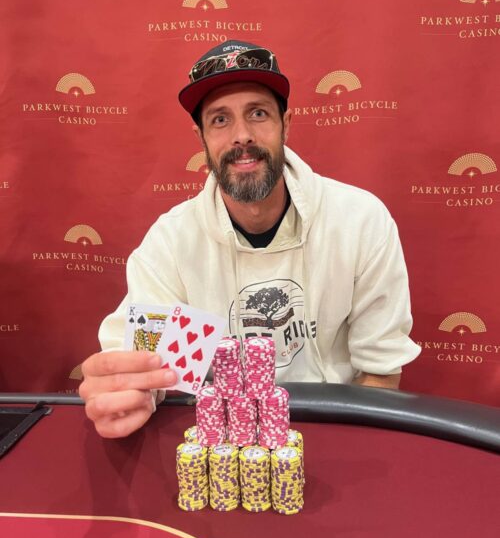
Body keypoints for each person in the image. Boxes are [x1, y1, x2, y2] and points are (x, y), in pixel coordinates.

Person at [79, 40, 421, 438]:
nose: (241, 135)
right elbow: (147, 370)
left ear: (285, 124)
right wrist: (125, 391)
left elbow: (381, 372)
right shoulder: (170, 244)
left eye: (258, 113)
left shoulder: (360, 221)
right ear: (201, 137)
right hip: (219, 439)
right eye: (220, 120)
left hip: (335, 429)